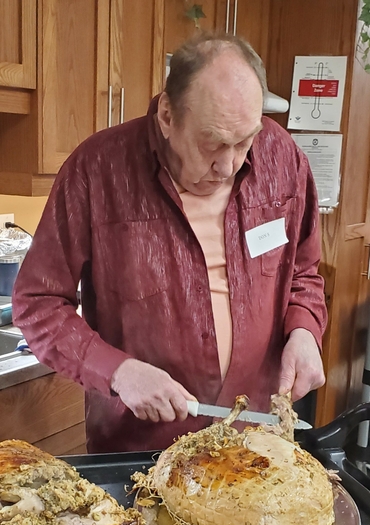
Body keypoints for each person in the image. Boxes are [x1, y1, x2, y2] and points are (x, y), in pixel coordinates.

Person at [12, 32, 327, 453]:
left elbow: (303, 271)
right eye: (212, 142)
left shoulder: (283, 158)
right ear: (167, 114)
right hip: (140, 450)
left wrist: (305, 330)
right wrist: (119, 372)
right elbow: (38, 303)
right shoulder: (97, 171)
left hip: (253, 446)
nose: (229, 164)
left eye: (245, 140)